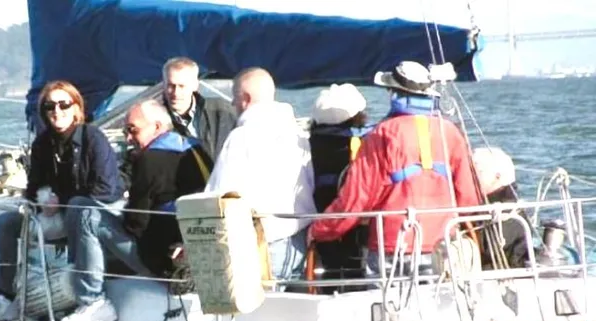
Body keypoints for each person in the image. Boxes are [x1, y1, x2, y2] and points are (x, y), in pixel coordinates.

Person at [309, 61, 480, 277]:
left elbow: (355, 201)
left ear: (392, 93)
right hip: (443, 242)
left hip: (391, 244)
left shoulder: (381, 136)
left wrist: (320, 230)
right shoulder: (451, 133)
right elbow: (468, 199)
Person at [57, 99, 212, 321]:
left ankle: (92, 301)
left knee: (85, 211)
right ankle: (83, 274)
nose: (128, 138)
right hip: (196, 252)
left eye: (133, 130)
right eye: (125, 131)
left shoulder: (150, 160)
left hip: (164, 263)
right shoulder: (195, 148)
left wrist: (120, 212)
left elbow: (135, 225)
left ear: (157, 127)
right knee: (88, 210)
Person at [0, 80, 121, 319]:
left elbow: (107, 188)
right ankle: (7, 295)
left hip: (95, 213)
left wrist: (62, 200)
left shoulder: (93, 138)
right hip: (56, 215)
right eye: (49, 106)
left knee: (78, 208)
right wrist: (41, 200)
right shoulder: (42, 144)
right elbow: (33, 187)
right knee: (5, 223)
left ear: (76, 107)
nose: (57, 110)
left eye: (64, 104)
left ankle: (91, 299)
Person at [203, 67, 315, 282]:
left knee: (262, 312)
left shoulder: (241, 137)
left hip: (265, 241)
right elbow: (309, 181)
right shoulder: (297, 133)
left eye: (234, 98)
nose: (233, 105)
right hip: (299, 239)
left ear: (245, 98)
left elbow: (222, 192)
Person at [308, 84, 372, 290]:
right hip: (353, 225)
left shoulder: (306, 144)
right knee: (355, 274)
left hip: (317, 220)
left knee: (328, 274)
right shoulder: (359, 144)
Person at [161, 57, 237, 161]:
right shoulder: (153, 120)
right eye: (171, 86)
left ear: (195, 85)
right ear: (163, 85)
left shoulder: (223, 112)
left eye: (182, 86)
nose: (176, 92)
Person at [471, 146, 529, 268]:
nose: (471, 177)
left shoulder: (509, 211)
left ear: (497, 176)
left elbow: (490, 248)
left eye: (477, 172)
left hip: (505, 275)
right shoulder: (482, 205)